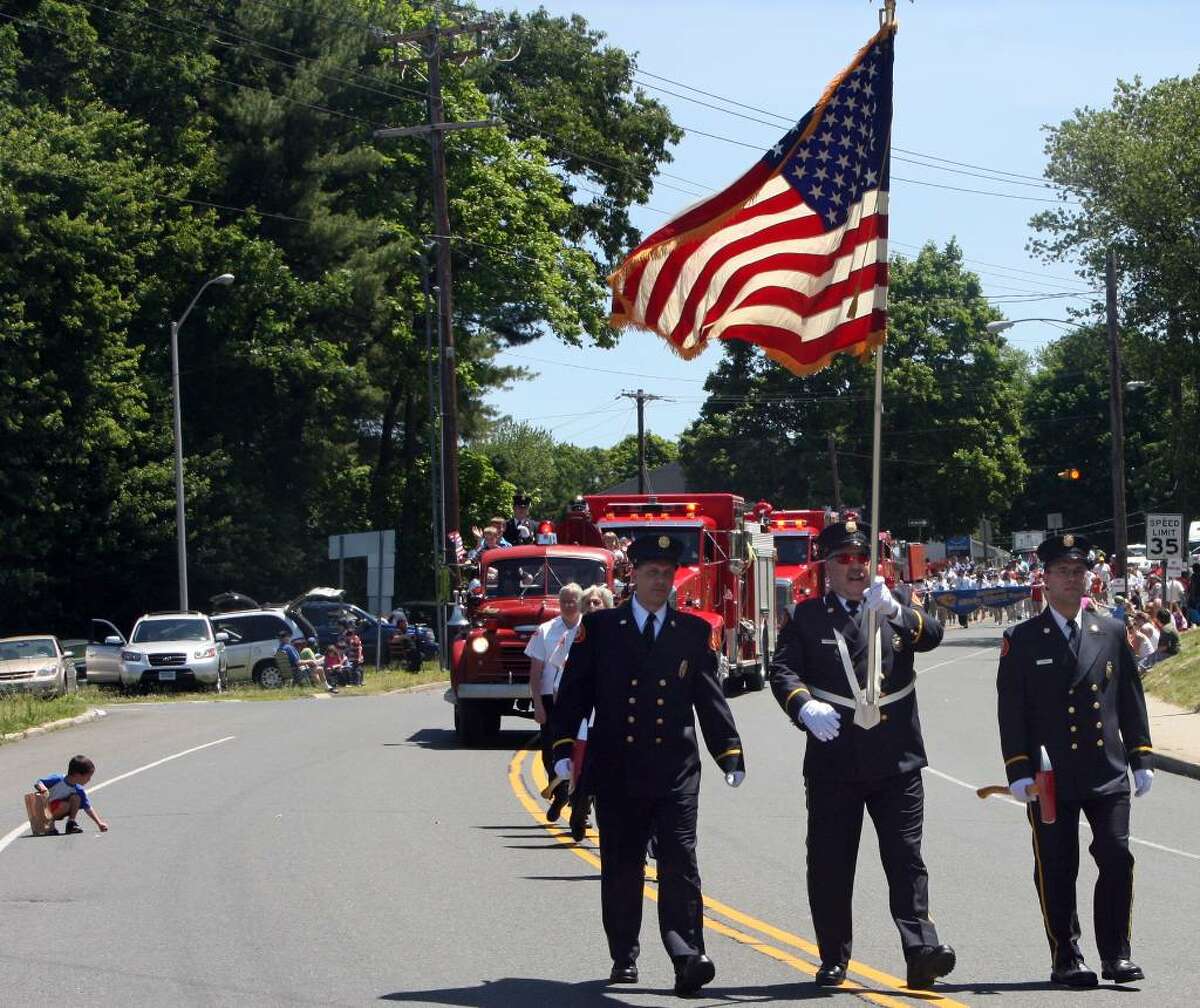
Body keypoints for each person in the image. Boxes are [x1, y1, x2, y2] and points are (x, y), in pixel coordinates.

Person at [548, 534, 745, 996]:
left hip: (675, 768)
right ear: (632, 575)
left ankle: (687, 956)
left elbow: (708, 700)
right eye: (651, 572)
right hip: (617, 766)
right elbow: (573, 694)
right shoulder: (600, 629)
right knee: (622, 864)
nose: (660, 580)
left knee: (680, 860)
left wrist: (728, 751)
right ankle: (624, 953)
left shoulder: (692, 632)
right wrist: (560, 750)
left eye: (667, 572)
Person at [769, 517, 954, 990]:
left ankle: (921, 951)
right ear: (825, 568)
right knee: (831, 862)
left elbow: (932, 635)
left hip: (897, 759)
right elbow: (783, 671)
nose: (855, 567)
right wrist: (803, 705)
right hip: (835, 760)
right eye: (844, 560)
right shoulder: (808, 617)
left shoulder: (894, 606)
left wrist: (895, 612)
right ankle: (834, 956)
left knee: (906, 859)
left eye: (862, 558)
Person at [997, 533, 1154, 988]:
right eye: (1062, 571)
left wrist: (1141, 755)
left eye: (1078, 570)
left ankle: (1116, 955)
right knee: (1057, 864)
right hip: (1050, 776)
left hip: (1105, 768)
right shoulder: (1021, 640)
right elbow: (1012, 711)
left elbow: (1129, 697)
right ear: (1043, 578)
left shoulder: (1108, 629)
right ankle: (1066, 954)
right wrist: (1017, 769)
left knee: (1117, 855)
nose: (1071, 578)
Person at [526, 583, 585, 822]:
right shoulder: (546, 630)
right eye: (564, 601)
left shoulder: (590, 628)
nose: (569, 605)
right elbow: (535, 673)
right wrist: (537, 704)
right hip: (552, 698)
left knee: (579, 751)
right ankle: (559, 791)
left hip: (581, 700)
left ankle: (580, 803)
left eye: (573, 601)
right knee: (550, 751)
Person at [33, 755, 108, 835]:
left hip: (57, 810)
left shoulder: (79, 789)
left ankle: (71, 823)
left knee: (76, 798)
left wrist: (99, 823)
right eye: (88, 777)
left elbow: (88, 808)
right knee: (65, 805)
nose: (89, 780)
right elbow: (39, 782)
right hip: (44, 810)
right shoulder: (58, 779)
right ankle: (48, 826)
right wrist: (42, 788)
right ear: (77, 775)